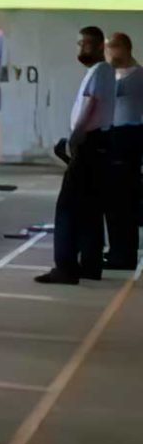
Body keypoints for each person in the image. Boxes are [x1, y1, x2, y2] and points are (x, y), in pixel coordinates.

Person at [36, 27, 115, 285]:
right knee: (90, 206)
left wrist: (75, 136)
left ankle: (66, 267)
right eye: (80, 44)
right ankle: (90, 264)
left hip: (90, 142)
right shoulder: (100, 72)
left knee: (68, 207)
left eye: (86, 44)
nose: (81, 49)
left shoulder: (101, 71)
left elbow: (91, 105)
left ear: (100, 46)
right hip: (94, 142)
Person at [104, 32, 143, 270]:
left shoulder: (139, 76)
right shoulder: (109, 74)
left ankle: (125, 254)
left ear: (125, 48)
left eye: (113, 48)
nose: (110, 53)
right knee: (111, 199)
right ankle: (116, 249)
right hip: (111, 136)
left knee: (124, 199)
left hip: (129, 137)